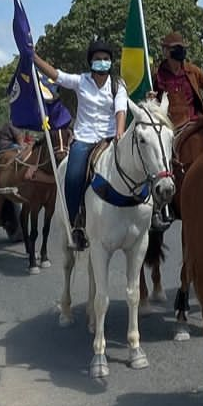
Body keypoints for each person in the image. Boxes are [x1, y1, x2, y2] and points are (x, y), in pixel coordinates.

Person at [32, 39, 127, 251]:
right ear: (90, 62)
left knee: (138, 164)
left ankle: (151, 213)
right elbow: (56, 75)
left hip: (110, 138)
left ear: (111, 62)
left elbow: (121, 109)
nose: (102, 62)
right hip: (84, 139)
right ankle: (76, 225)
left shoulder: (117, 84)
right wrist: (34, 58)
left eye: (106, 59)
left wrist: (120, 131)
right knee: (73, 176)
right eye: (98, 59)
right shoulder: (80, 81)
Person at [153, 30, 203, 130]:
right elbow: (152, 100)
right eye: (175, 48)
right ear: (165, 51)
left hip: (195, 126)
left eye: (182, 48)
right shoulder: (158, 74)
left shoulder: (193, 71)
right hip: (171, 130)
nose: (180, 51)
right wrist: (150, 99)